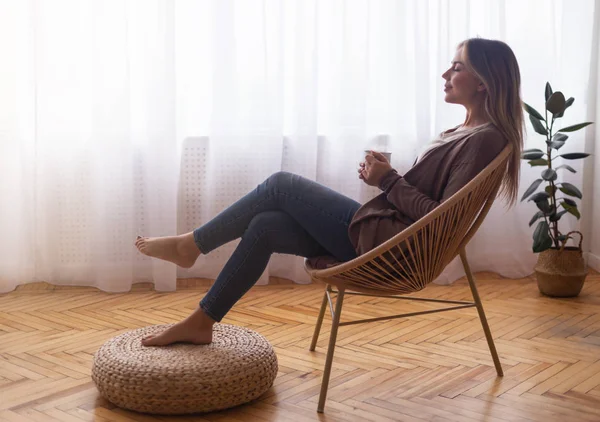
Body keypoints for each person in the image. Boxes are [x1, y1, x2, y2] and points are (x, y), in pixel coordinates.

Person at [135, 37, 523, 347]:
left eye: (456, 67)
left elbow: (438, 217)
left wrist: (388, 180)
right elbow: (430, 202)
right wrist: (383, 177)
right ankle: (202, 321)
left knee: (280, 184)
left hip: (393, 249)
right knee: (266, 225)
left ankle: (192, 246)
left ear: (484, 81)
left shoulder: (484, 140)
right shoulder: (465, 132)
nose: (445, 73)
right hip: (385, 233)